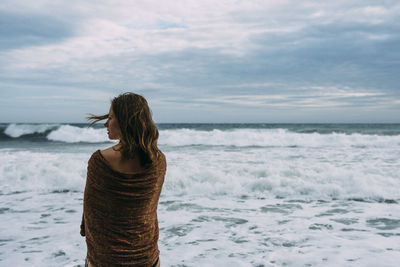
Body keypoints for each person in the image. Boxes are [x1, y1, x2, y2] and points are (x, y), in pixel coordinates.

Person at [80, 93, 166, 267]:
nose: (106, 123)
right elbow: (149, 210)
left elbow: (90, 211)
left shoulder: (100, 161)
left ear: (125, 121)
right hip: (146, 257)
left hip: (106, 259)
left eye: (111, 117)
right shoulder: (158, 160)